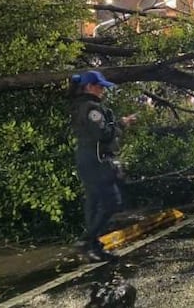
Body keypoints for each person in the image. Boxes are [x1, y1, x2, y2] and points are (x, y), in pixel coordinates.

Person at [69, 70, 137, 262]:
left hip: (86, 159)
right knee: (112, 202)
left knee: (93, 203)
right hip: (97, 161)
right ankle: (86, 241)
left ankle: (93, 248)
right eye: (100, 87)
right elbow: (103, 135)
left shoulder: (79, 106)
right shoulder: (92, 108)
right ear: (89, 87)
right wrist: (122, 124)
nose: (103, 91)